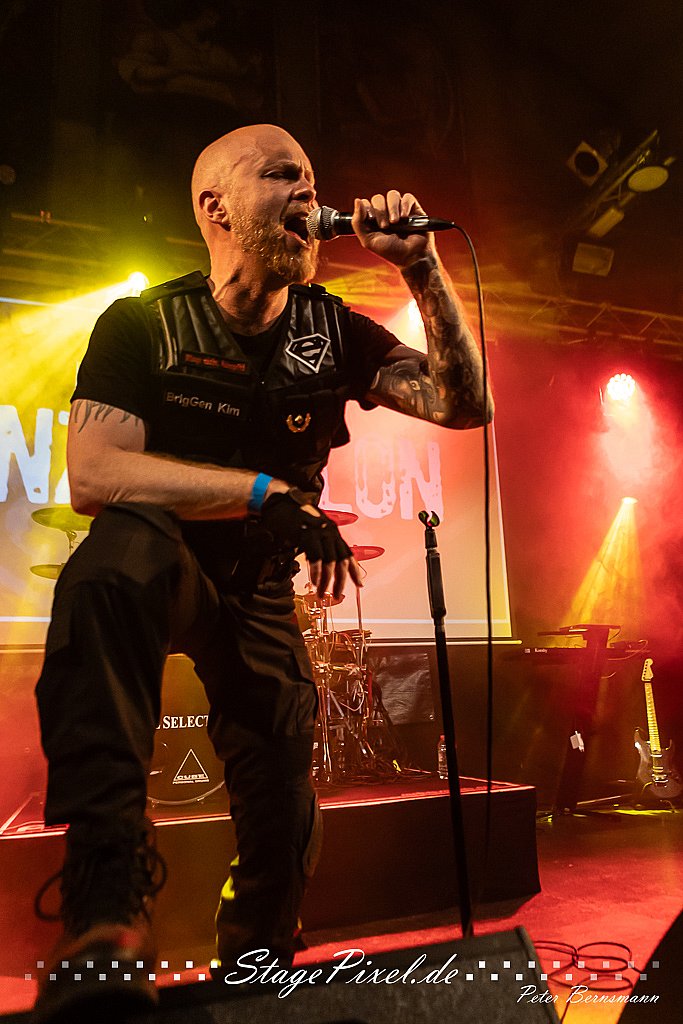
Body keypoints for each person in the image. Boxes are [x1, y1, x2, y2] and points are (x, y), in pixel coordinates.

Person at [32, 123, 493, 1021]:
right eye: (283, 175)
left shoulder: (331, 328)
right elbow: (93, 473)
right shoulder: (145, 323)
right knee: (109, 567)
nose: (309, 193)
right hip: (164, 557)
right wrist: (259, 493)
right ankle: (106, 911)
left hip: (257, 588)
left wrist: (421, 269)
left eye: (311, 178)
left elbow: (462, 404)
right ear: (216, 207)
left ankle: (256, 969)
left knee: (282, 796)